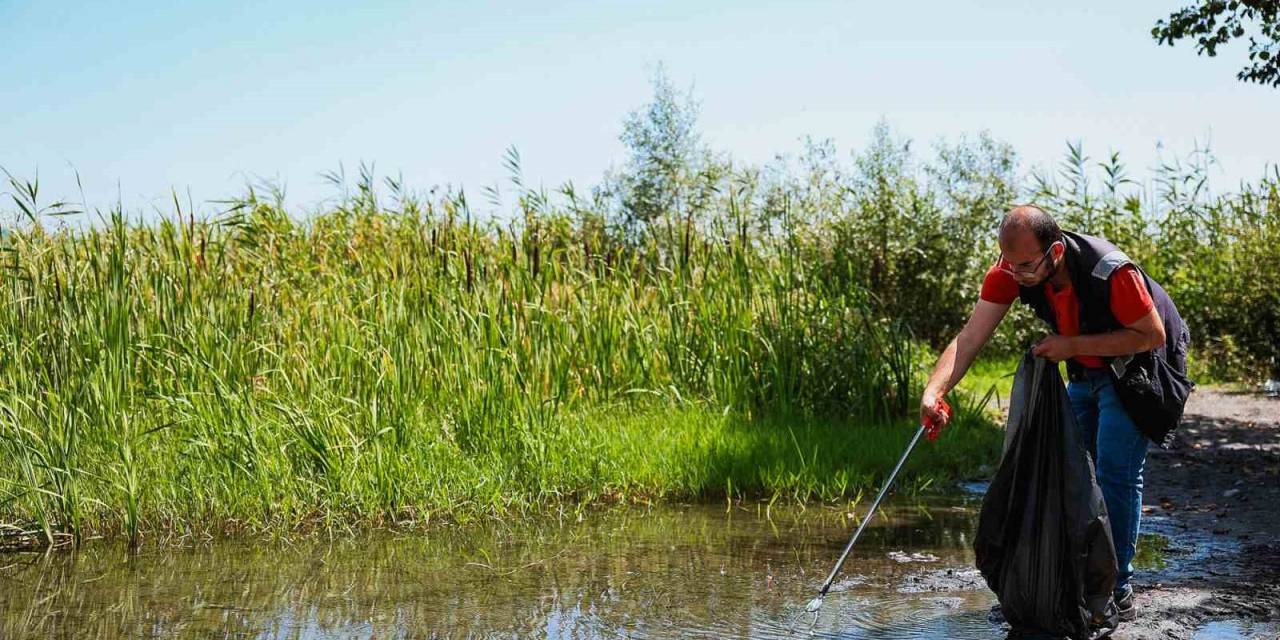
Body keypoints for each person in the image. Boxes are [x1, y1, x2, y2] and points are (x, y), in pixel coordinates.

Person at [921, 204, 1190, 624]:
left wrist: (1072, 345)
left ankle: (1116, 590)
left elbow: (1150, 334)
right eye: (1010, 265)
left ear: (1057, 252)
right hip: (1084, 365)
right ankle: (1075, 581)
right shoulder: (1011, 271)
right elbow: (971, 336)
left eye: (1026, 265)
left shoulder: (1111, 273)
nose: (1018, 274)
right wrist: (934, 392)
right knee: (1072, 471)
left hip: (1142, 363)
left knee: (1115, 472)